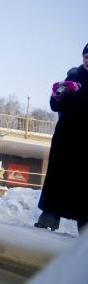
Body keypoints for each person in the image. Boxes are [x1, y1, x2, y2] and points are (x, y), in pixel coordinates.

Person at [34, 43, 88, 234]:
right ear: (82, 58)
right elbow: (55, 106)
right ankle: (48, 218)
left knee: (84, 183)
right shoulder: (73, 76)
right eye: (87, 57)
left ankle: (85, 229)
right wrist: (58, 95)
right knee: (57, 177)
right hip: (66, 137)